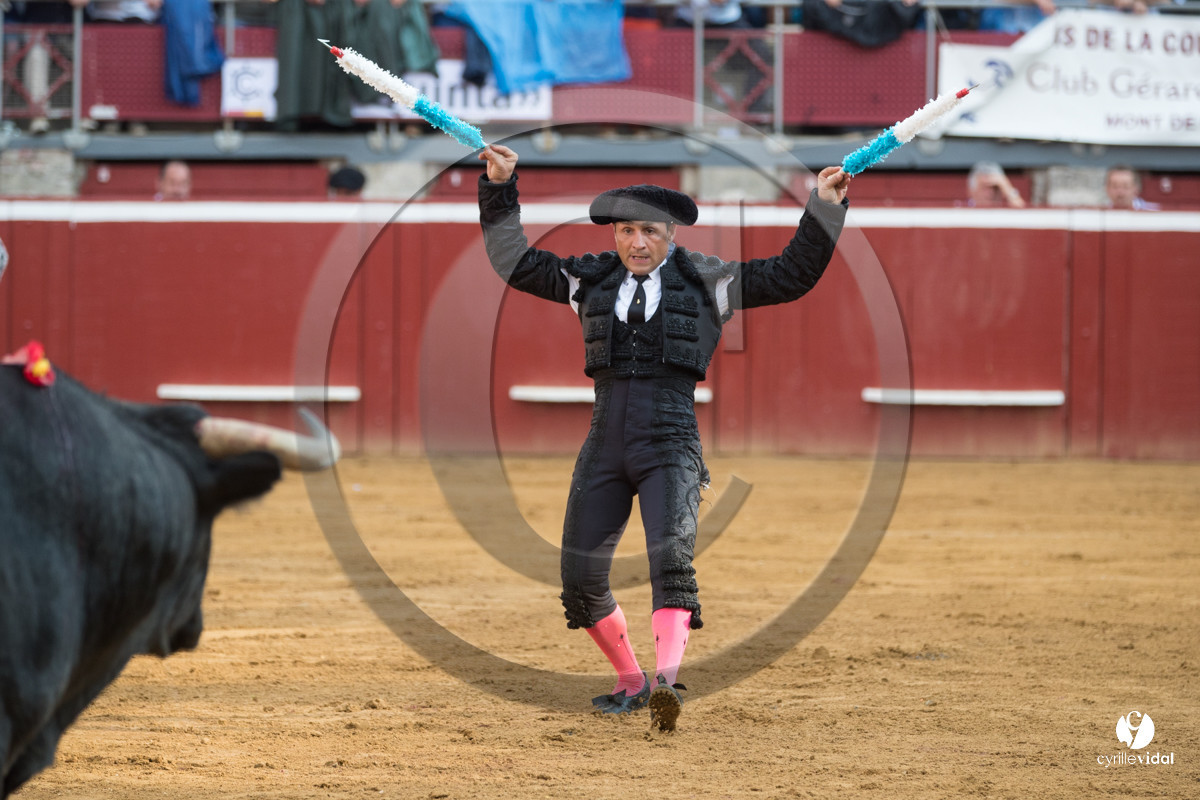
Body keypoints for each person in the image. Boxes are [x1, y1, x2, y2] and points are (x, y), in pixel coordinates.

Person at [477, 143, 850, 732]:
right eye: (626, 231)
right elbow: (513, 261)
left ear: (670, 234)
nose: (637, 243)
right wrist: (500, 185)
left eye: (649, 231)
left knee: (671, 563)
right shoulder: (586, 280)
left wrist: (825, 206)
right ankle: (632, 679)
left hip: (671, 443)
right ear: (615, 234)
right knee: (579, 579)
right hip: (604, 443)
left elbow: (791, 276)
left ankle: (667, 684)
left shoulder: (708, 282)